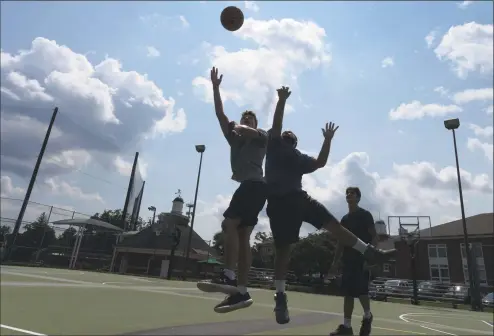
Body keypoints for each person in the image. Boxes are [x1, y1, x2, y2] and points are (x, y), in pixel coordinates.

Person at [265, 86, 395, 325]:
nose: (288, 139)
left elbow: (321, 162)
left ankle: (370, 252)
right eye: (285, 137)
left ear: (294, 144)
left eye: (291, 139)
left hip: (299, 199)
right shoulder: (273, 148)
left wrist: (327, 140)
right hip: (278, 203)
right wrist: (281, 100)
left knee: (333, 225)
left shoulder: (298, 158)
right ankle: (281, 295)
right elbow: (277, 123)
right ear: (279, 139)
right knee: (283, 250)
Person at [197, 67, 268, 314]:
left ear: (256, 123)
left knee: (229, 224)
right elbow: (219, 113)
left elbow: (246, 129)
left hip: (254, 185)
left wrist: (239, 125)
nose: (247, 121)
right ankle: (241, 291)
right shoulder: (235, 138)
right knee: (243, 236)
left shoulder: (261, 136)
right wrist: (215, 87)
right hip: (253, 189)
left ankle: (228, 276)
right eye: (244, 118)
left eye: (251, 119)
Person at [327, 187, 378, 336]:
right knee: (348, 294)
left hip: (361, 259)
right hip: (348, 260)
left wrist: (370, 258)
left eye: (352, 193)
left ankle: (367, 316)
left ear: (358, 197)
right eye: (347, 193)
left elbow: (374, 238)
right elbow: (341, 242)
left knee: (362, 292)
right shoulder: (344, 219)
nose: (349, 195)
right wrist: (335, 262)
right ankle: (347, 327)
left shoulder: (365, 215)